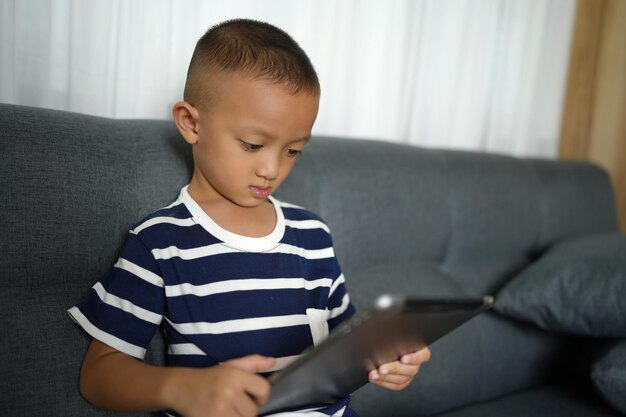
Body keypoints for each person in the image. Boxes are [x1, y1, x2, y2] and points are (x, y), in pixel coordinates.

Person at [68, 18, 431, 417]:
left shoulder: (313, 234)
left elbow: (348, 343)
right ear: (191, 123)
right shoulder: (160, 241)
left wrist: (387, 359)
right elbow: (98, 375)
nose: (272, 169)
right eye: (253, 144)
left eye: (293, 150)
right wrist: (183, 388)